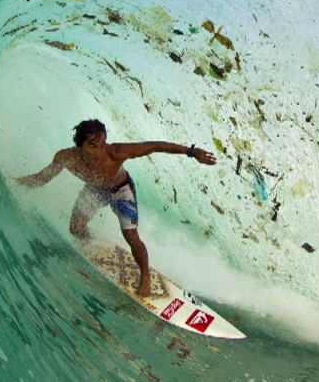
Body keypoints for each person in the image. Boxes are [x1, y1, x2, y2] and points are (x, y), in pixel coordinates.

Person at [15, 119, 216, 297]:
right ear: (79, 145)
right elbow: (42, 178)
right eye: (92, 146)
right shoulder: (66, 157)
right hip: (95, 189)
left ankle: (145, 274)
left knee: (131, 235)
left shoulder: (115, 153)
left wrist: (191, 152)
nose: (99, 151)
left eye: (102, 145)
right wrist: (14, 181)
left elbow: (155, 146)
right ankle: (94, 244)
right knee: (76, 228)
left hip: (121, 191)